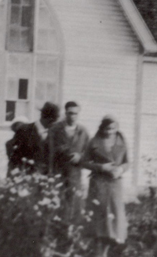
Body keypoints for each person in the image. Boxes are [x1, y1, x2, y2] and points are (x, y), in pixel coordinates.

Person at [83, 115, 129, 257]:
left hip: (115, 185)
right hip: (99, 185)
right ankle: (98, 254)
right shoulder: (94, 141)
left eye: (113, 129)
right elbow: (84, 162)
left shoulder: (121, 140)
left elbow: (127, 162)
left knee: (114, 222)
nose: (110, 132)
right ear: (102, 128)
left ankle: (107, 252)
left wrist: (120, 170)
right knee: (99, 223)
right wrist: (101, 167)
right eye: (107, 128)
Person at [49, 101, 90, 220]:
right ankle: (56, 229)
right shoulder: (55, 129)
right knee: (56, 200)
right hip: (58, 170)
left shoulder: (83, 131)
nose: (73, 116)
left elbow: (89, 152)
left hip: (75, 173)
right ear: (65, 113)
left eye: (75, 114)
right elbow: (50, 151)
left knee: (73, 202)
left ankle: (71, 230)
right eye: (70, 113)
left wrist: (80, 156)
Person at [7, 102, 59, 175]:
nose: (55, 125)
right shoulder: (24, 130)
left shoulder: (54, 135)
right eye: (53, 122)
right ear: (47, 118)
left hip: (44, 180)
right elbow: (13, 156)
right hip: (24, 178)